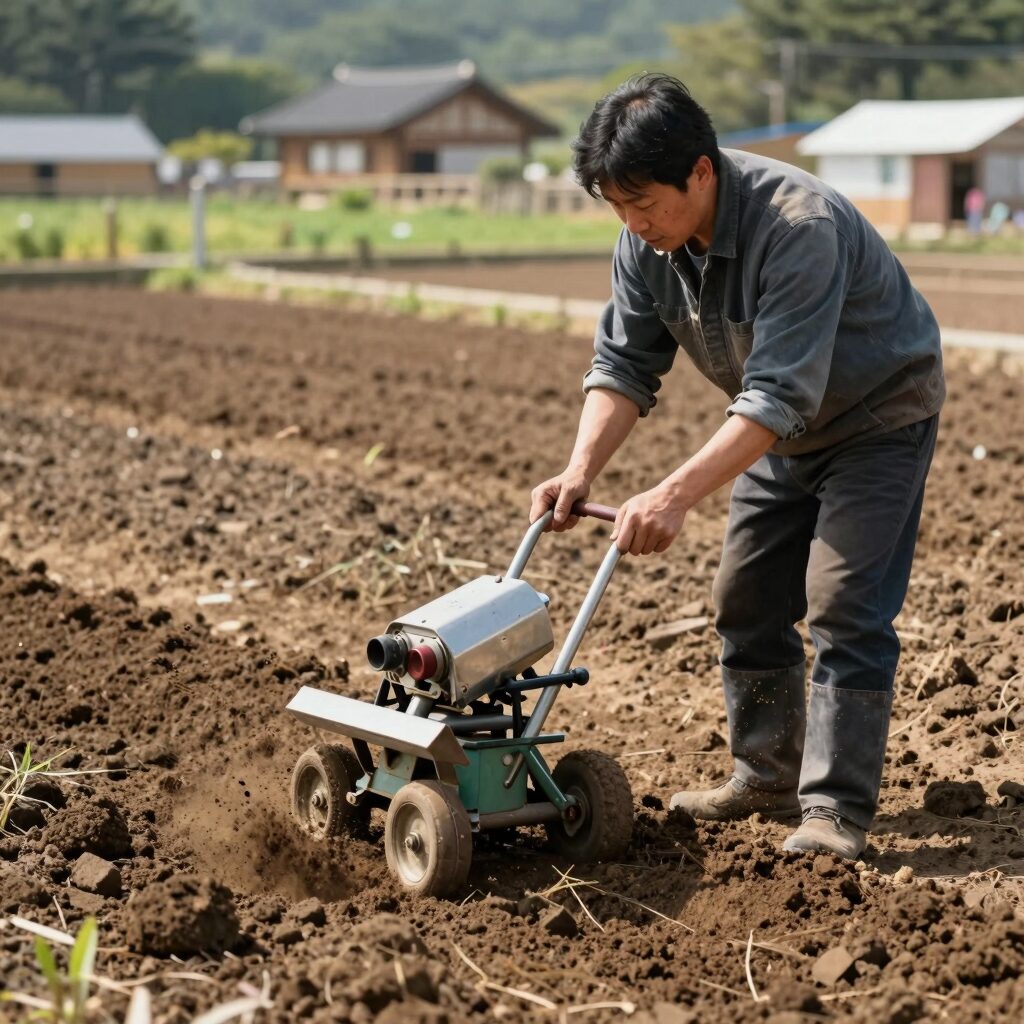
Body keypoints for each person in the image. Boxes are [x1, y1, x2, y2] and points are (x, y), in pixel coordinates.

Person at [529, 74, 945, 860]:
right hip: (781, 430)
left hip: (875, 417)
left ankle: (834, 811)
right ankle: (765, 774)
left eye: (645, 202)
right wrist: (579, 469)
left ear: (702, 171)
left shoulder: (797, 227)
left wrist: (675, 493)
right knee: (746, 598)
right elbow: (622, 367)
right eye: (617, 206)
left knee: (844, 603)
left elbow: (778, 394)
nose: (634, 223)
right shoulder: (645, 245)